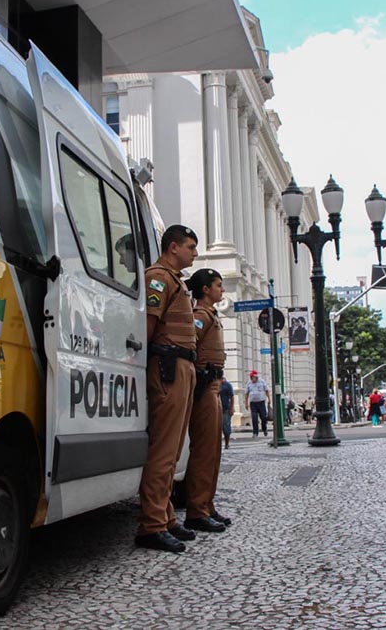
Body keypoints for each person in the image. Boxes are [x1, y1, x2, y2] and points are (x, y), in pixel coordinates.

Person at [136, 225, 199, 553]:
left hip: (182, 367)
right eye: (190, 247)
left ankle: (167, 517)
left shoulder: (174, 281)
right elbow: (148, 327)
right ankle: (152, 525)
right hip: (169, 368)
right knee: (163, 450)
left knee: (174, 451)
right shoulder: (158, 278)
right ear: (173, 247)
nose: (195, 253)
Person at [181, 269, 229, 533]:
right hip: (204, 384)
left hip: (214, 384)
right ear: (206, 289)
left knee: (214, 449)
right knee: (204, 449)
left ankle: (206, 505)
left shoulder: (210, 315)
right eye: (218, 285)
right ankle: (197, 510)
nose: (222, 290)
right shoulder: (200, 315)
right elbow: (191, 343)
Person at [245, 371, 270, 437]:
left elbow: (267, 390)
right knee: (254, 418)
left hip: (261, 402)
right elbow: (246, 393)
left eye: (253, 377)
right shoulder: (249, 383)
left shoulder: (262, 382)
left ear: (256, 377)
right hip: (253, 403)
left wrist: (269, 399)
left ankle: (264, 428)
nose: (252, 379)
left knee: (263, 417)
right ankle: (255, 432)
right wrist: (246, 403)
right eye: (251, 377)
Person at [219, 377, 234, 450]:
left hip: (226, 408)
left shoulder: (227, 385)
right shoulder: (216, 384)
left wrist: (231, 408)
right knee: (218, 427)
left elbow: (232, 397)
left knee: (226, 427)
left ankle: (227, 443)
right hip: (218, 409)